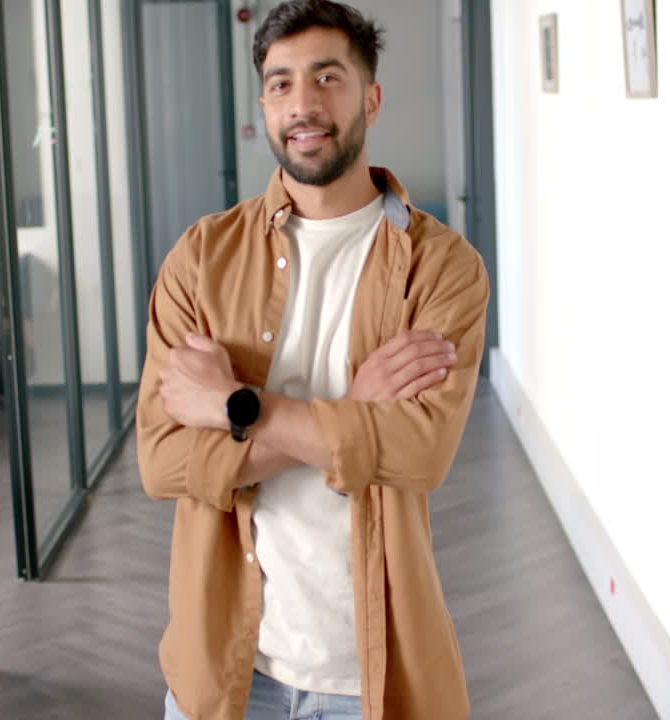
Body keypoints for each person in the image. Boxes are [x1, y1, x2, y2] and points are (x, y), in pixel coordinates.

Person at [136, 1, 488, 717]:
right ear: (263, 103)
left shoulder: (441, 267)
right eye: (280, 83)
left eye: (328, 78)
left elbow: (419, 454)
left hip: (372, 677)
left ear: (372, 98)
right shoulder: (202, 259)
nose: (303, 104)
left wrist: (237, 408)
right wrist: (355, 421)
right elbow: (162, 462)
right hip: (225, 670)